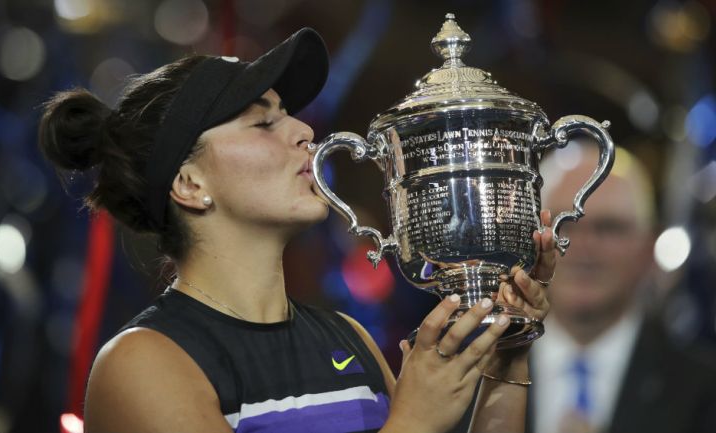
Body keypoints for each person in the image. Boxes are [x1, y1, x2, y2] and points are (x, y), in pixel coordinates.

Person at [38, 27, 555, 433]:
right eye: (262, 123)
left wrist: (506, 360)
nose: (305, 132)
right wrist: (414, 423)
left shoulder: (347, 337)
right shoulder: (141, 363)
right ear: (189, 184)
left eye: (288, 114)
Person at [529, 144, 716, 433]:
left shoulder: (704, 391)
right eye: (563, 225)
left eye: (609, 228)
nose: (584, 247)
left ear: (649, 246)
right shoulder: (470, 379)